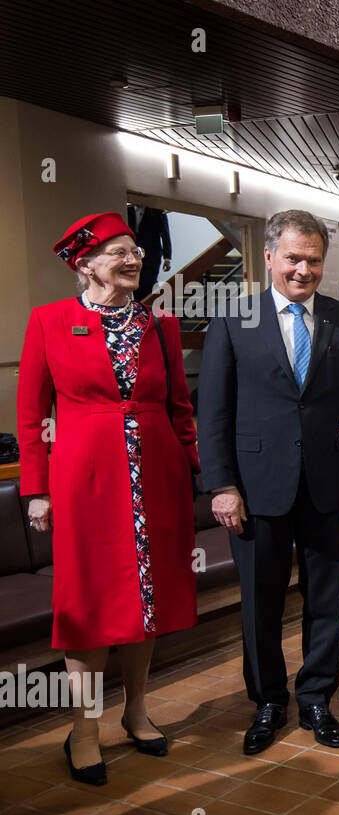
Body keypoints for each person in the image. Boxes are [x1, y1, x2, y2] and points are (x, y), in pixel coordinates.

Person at [17, 212, 199, 785]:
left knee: (147, 600)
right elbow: (29, 418)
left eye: (136, 252)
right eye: (119, 251)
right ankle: (85, 726)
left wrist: (192, 471)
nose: (133, 260)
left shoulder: (159, 324)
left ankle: (136, 710)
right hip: (84, 481)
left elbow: (180, 407)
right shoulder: (49, 322)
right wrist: (36, 491)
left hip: (154, 478)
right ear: (85, 263)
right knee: (89, 605)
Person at [198, 209, 339, 754]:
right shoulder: (234, 320)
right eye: (294, 258)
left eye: (314, 261)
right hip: (255, 489)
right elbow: (214, 413)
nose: (303, 270)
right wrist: (222, 485)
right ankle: (270, 700)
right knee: (261, 600)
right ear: (269, 257)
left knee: (326, 596)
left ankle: (318, 697)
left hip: (327, 483)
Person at [126, 204, 171, 302]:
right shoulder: (127, 210)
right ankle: (139, 306)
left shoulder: (157, 211)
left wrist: (167, 258)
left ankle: (149, 307)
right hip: (134, 254)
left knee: (149, 282)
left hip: (152, 254)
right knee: (135, 282)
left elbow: (165, 234)